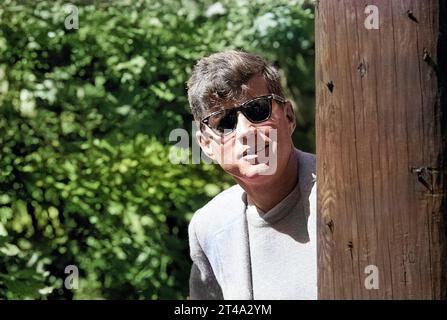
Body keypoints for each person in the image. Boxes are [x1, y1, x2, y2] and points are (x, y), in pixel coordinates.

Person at [186, 50, 317, 300]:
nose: (246, 132)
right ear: (205, 145)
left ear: (288, 117)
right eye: (224, 122)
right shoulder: (208, 227)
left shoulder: (347, 195)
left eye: (257, 110)